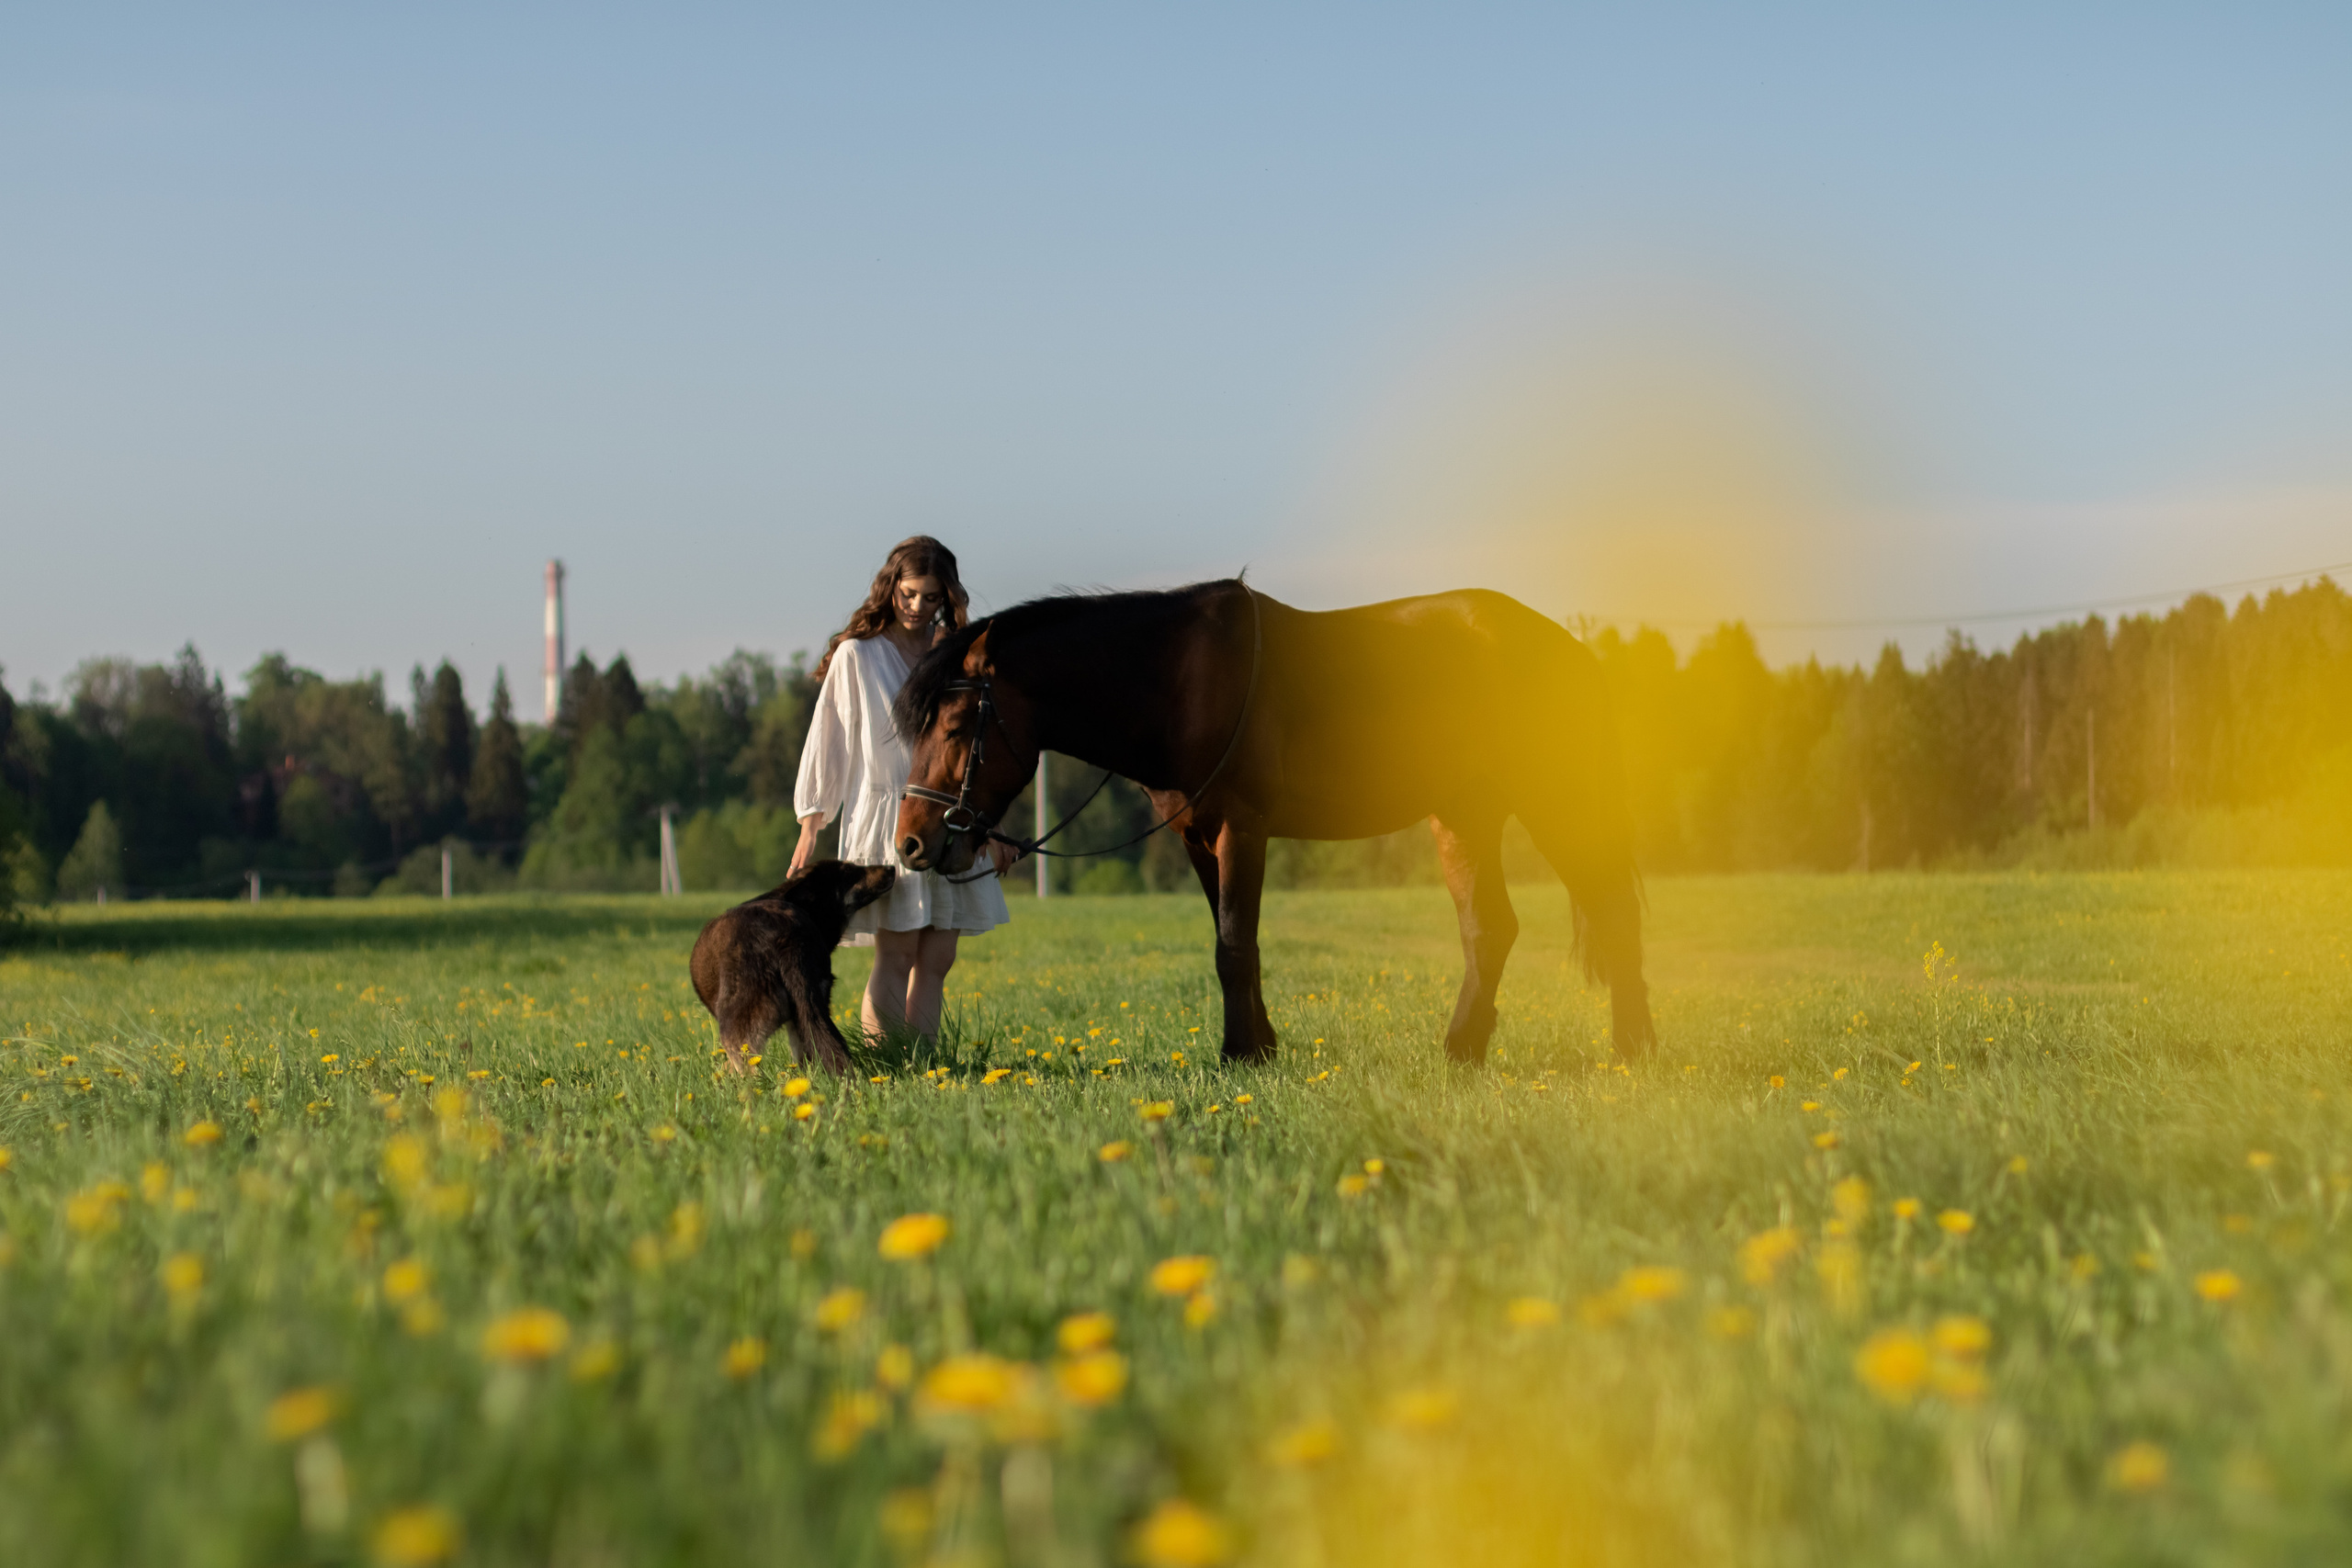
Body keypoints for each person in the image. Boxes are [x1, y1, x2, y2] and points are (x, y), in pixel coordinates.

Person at [790, 536, 1016, 1043]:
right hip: (892, 819)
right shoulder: (858, 655)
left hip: (952, 815)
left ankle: (923, 1064)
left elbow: (973, 747)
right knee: (896, 952)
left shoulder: (955, 654)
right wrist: (811, 822)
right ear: (890, 587)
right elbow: (829, 739)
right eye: (909, 593)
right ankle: (884, 1062)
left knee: (937, 957)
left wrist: (993, 826)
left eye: (931, 597)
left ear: (946, 598)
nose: (917, 607)